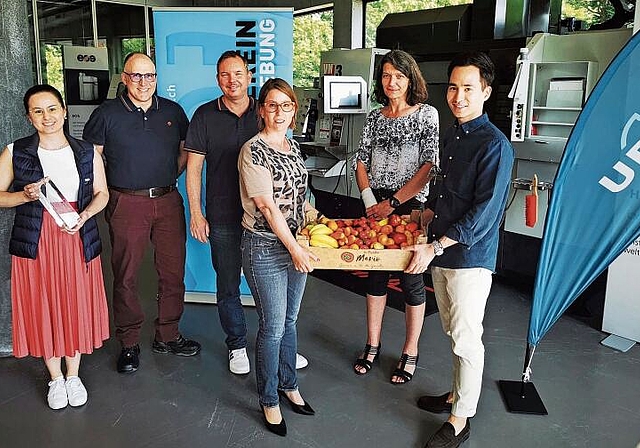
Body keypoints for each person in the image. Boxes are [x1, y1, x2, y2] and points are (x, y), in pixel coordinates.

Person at [404, 52, 515, 448]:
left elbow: (483, 214)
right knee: (451, 330)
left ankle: (459, 419)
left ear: (486, 91)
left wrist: (434, 245)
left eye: (468, 88)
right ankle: (457, 392)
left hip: (469, 256)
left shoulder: (495, 146)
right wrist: (426, 215)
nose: (459, 96)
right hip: (442, 249)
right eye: (453, 87)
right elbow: (441, 187)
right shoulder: (451, 134)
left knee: (467, 337)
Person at [185, 50, 307, 375]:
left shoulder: (266, 109)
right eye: (225, 75)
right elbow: (194, 169)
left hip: (266, 222)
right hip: (223, 214)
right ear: (217, 80)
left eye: (238, 73)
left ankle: (282, 346)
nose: (232, 80)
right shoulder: (204, 115)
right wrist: (196, 213)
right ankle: (237, 343)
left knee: (277, 290)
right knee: (227, 283)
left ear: (249, 76)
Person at [83, 52, 201, 374]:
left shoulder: (173, 112)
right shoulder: (106, 114)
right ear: (124, 78)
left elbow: (184, 152)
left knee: (173, 272)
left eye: (149, 76)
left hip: (167, 201)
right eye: (137, 76)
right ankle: (129, 342)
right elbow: (93, 158)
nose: (144, 83)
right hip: (126, 203)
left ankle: (168, 334)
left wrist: (165, 179)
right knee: (126, 275)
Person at [0, 84, 109, 409]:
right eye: (38, 111)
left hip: (76, 236)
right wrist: (24, 196)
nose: (46, 117)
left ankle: (73, 375)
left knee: (74, 302)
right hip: (36, 241)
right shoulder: (14, 151)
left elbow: (102, 193)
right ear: (29, 117)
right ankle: (55, 378)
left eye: (51, 109)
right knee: (43, 303)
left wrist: (85, 215)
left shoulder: (86, 151)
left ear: (64, 111)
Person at [352, 49, 439, 384]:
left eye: (399, 76)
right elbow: (360, 161)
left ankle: (410, 350)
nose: (392, 82)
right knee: (374, 277)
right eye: (386, 75)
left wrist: (392, 202)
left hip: (410, 209)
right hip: (375, 208)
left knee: (411, 280)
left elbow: (429, 167)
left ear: (410, 79)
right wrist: (370, 200)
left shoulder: (427, 115)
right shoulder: (375, 116)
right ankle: (372, 345)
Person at [238, 78, 319, 437]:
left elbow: (300, 195)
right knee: (272, 326)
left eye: (287, 106)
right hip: (265, 246)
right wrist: (296, 249)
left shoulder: (293, 146)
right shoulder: (253, 150)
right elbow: (268, 208)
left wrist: (315, 220)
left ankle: (289, 384)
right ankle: (269, 399)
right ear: (261, 110)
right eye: (272, 105)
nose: (280, 112)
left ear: (294, 110)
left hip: (296, 244)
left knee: (290, 319)